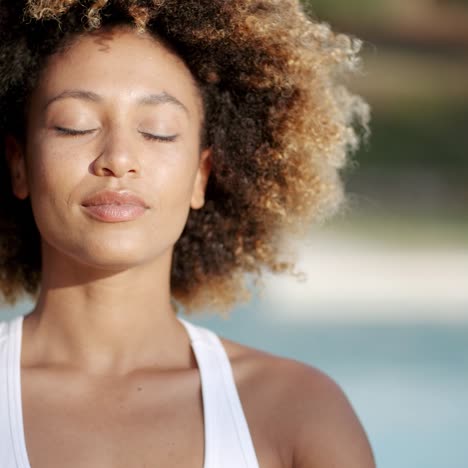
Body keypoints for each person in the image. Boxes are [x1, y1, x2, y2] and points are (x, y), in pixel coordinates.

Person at [0, 1, 374, 467]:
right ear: (19, 165)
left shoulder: (299, 412)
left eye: (157, 132)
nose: (118, 158)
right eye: (75, 125)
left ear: (202, 175)